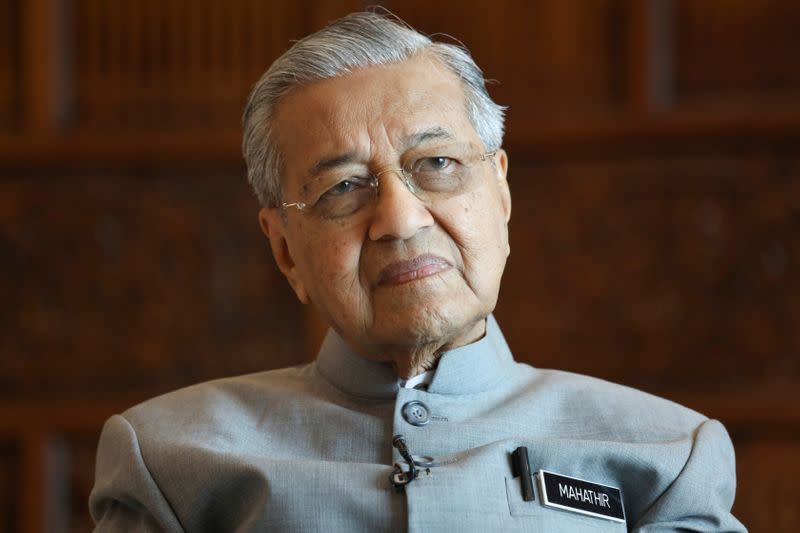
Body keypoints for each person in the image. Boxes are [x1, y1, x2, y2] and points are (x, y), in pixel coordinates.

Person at [90, 11, 745, 532]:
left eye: (436, 164)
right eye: (343, 186)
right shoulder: (169, 461)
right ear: (286, 249)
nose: (400, 220)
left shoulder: (663, 455)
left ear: (502, 197)